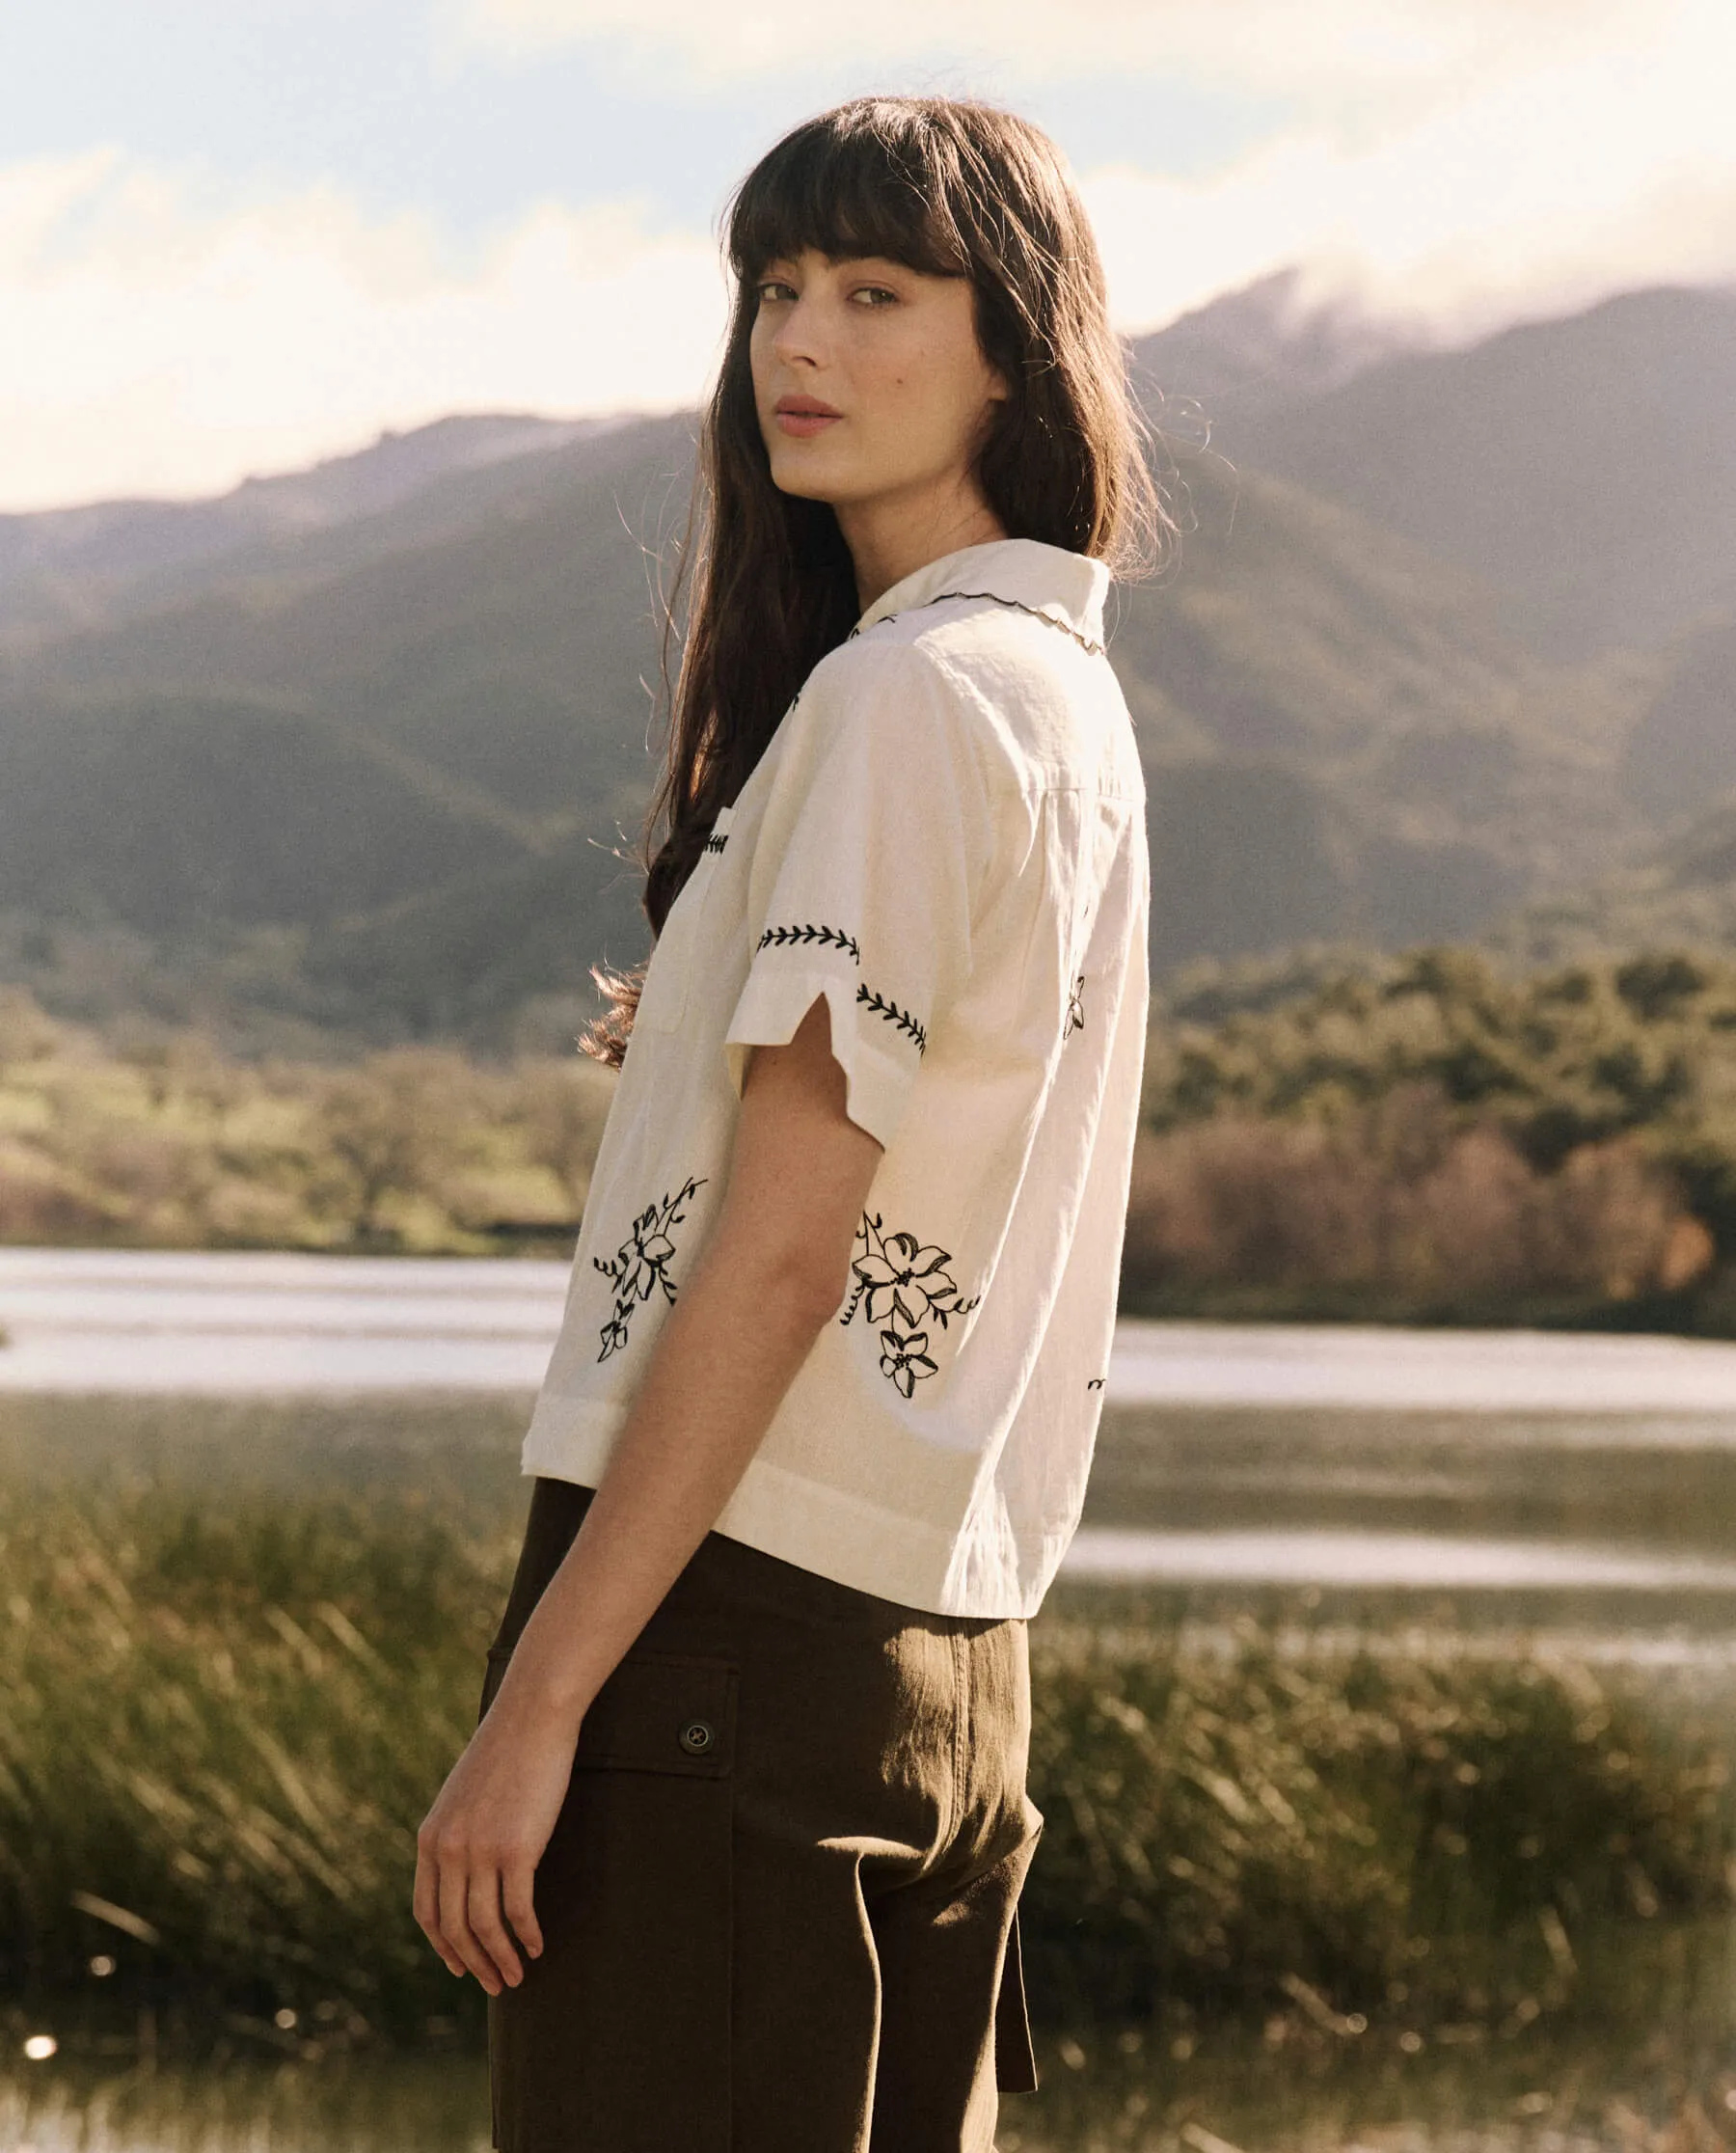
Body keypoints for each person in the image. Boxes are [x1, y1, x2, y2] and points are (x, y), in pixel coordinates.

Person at [414, 93, 1167, 2153]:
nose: (797, 344)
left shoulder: (904, 700)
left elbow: (784, 1244)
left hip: (717, 1642)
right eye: (773, 288)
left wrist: (542, 1701)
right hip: (945, 1666)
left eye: (874, 289)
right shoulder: (1060, 700)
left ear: (1013, 343)